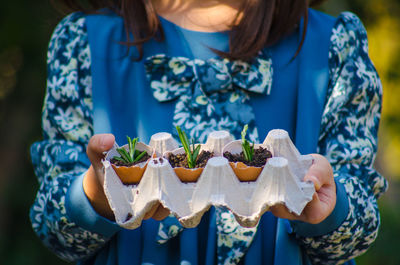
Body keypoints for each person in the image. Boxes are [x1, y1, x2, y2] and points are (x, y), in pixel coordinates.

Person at [30, 0, 388, 264]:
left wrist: (330, 207)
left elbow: (359, 228)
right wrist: (95, 195)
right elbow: (57, 232)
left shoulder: (332, 48)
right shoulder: (85, 45)